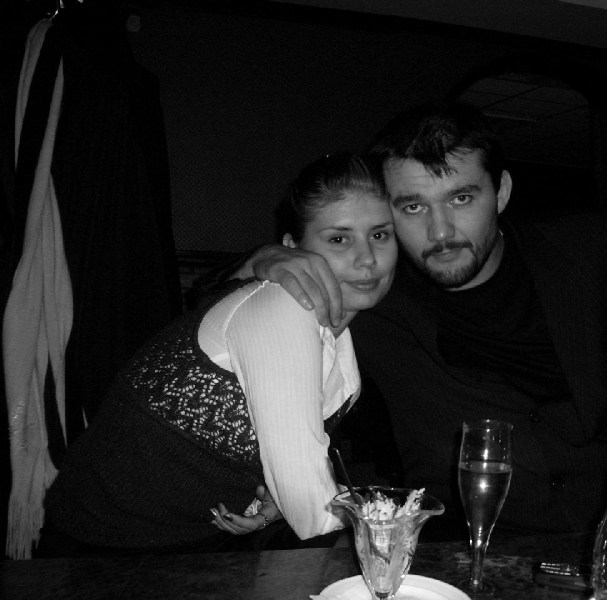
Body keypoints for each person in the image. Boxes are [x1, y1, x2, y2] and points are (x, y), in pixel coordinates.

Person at [232, 101, 607, 538]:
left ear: (501, 192)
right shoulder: (371, 294)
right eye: (413, 207)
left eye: (461, 198)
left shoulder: (601, 252)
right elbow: (227, 315)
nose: (440, 231)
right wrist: (261, 261)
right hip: (458, 543)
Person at [36, 153, 397, 556]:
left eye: (380, 235)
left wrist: (276, 504)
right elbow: (314, 512)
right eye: (339, 239)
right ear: (292, 248)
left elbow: (297, 470)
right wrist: (394, 516)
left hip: (188, 541)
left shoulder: (338, 339)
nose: (367, 259)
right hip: (96, 550)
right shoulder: (281, 308)